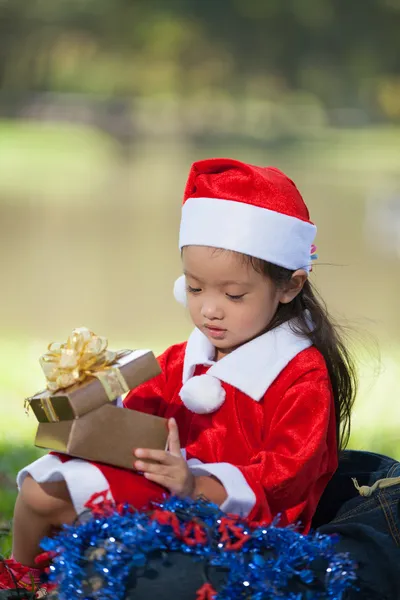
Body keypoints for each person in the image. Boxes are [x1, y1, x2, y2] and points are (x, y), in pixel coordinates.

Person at [0, 158, 356, 596]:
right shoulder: (185, 358)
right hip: (164, 492)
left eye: (234, 294)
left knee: (67, 504)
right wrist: (92, 406)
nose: (210, 308)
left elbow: (286, 479)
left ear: (290, 286)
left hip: (238, 523)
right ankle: (22, 578)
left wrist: (195, 485)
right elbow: (140, 415)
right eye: (194, 288)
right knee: (40, 486)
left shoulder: (301, 374)